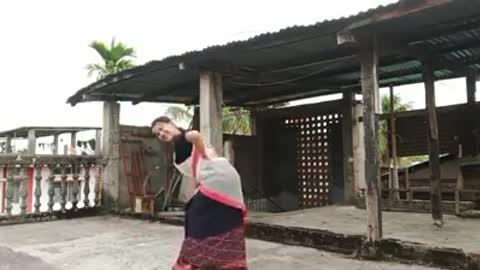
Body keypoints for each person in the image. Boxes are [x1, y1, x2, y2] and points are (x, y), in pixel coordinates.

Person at [151, 116, 248, 270]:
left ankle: (197, 262)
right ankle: (224, 260)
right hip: (226, 179)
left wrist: (202, 153)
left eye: (162, 128)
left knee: (196, 220)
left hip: (216, 182)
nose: (162, 133)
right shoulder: (181, 144)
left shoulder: (180, 139)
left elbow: (195, 135)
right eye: (158, 134)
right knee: (220, 217)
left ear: (171, 124)